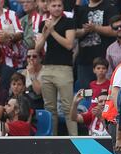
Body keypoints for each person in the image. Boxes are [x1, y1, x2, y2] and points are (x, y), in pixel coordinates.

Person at [35, 0, 77, 136]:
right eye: (54, 5)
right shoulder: (43, 23)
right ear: (47, 7)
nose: (57, 8)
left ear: (63, 7)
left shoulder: (68, 22)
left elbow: (69, 44)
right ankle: (51, 141)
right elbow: (37, 48)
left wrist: (52, 31)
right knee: (49, 108)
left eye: (59, 5)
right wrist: (47, 32)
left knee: (68, 107)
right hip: (47, 68)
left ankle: (76, 140)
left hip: (64, 68)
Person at [74, 0, 118, 89]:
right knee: (86, 94)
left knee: (104, 93)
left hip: (104, 60)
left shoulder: (110, 7)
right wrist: (84, 31)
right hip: (84, 60)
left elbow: (115, 30)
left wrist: (95, 28)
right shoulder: (81, 9)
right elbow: (73, 32)